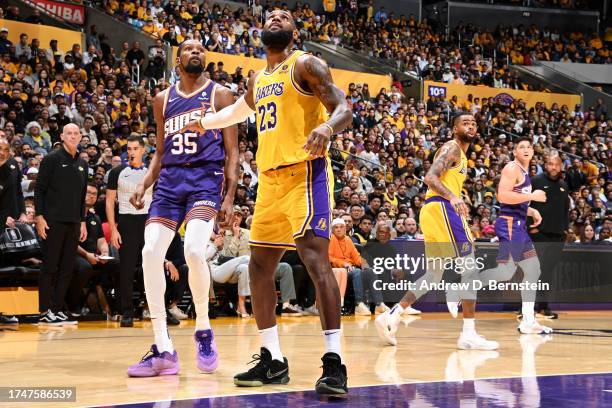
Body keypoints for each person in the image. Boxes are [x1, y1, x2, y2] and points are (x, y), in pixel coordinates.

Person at [181, 10, 352, 395]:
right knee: (259, 267)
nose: (275, 17)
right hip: (270, 182)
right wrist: (204, 123)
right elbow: (239, 111)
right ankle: (272, 359)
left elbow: (343, 106)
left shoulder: (306, 64)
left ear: (293, 32)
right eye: (270, 15)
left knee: (314, 260)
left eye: (283, 16)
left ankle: (334, 363)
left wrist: (326, 126)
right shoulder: (259, 77)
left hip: (306, 174)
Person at [127, 39, 238, 377]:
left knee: (193, 250)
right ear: (178, 60)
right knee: (149, 253)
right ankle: (163, 348)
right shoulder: (163, 99)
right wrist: (145, 183)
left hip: (205, 180)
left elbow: (232, 152)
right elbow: (159, 153)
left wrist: (230, 196)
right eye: (189, 50)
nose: (196, 53)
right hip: (169, 184)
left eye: (201, 50)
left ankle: (203, 329)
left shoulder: (220, 95)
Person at [375, 113, 499, 350]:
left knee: (434, 274)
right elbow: (430, 177)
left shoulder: (460, 154)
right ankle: (468, 334)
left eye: (474, 123)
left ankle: (391, 316)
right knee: (470, 268)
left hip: (433, 211)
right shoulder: (452, 148)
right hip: (443, 208)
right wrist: (453, 197)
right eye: (466, 123)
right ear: (454, 128)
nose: (471, 126)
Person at [477, 137, 552, 334]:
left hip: (519, 226)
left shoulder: (526, 172)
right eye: (521, 147)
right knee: (505, 272)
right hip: (510, 225)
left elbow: (515, 200)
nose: (526, 149)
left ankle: (528, 321)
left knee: (533, 271)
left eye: (529, 146)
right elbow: (503, 196)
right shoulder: (512, 168)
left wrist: (531, 211)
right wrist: (532, 197)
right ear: (515, 152)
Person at [34, 124, 89, 326]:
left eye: (76, 134)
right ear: (62, 136)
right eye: (69, 133)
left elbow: (82, 197)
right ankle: (43, 310)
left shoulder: (83, 164)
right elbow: (39, 190)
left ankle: (56, 309)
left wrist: (82, 222)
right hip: (53, 221)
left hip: (74, 223)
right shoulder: (51, 159)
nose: (73, 136)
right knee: (49, 267)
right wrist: (39, 217)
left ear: (81, 136)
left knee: (67, 268)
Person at [105, 135, 152, 327]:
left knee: (152, 266)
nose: (131, 152)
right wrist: (114, 229)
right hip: (126, 220)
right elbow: (109, 202)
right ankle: (126, 311)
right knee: (126, 269)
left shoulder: (152, 171)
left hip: (149, 221)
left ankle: (156, 309)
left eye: (135, 148)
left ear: (143, 150)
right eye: (129, 149)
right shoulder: (117, 171)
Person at [528, 152, 569, 320]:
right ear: (545, 165)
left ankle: (543, 308)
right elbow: (525, 204)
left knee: (547, 273)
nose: (554, 167)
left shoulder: (563, 185)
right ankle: (527, 309)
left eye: (557, 164)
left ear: (561, 166)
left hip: (557, 236)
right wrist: (531, 228)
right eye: (551, 164)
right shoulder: (535, 181)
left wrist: (565, 231)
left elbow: (565, 210)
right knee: (533, 272)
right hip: (539, 234)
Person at [68, 183, 117, 315]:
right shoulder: (71, 215)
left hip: (93, 256)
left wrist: (105, 251)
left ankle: (115, 306)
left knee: (116, 264)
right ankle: (72, 305)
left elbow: (100, 240)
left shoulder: (95, 218)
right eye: (88, 193)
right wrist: (87, 255)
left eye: (94, 194)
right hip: (73, 255)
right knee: (84, 267)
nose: (91, 196)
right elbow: (70, 242)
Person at [0, 137, 25, 325]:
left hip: (9, 225)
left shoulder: (12, 165)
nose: (2, 152)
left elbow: (17, 191)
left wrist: (22, 211)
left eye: (5, 148)